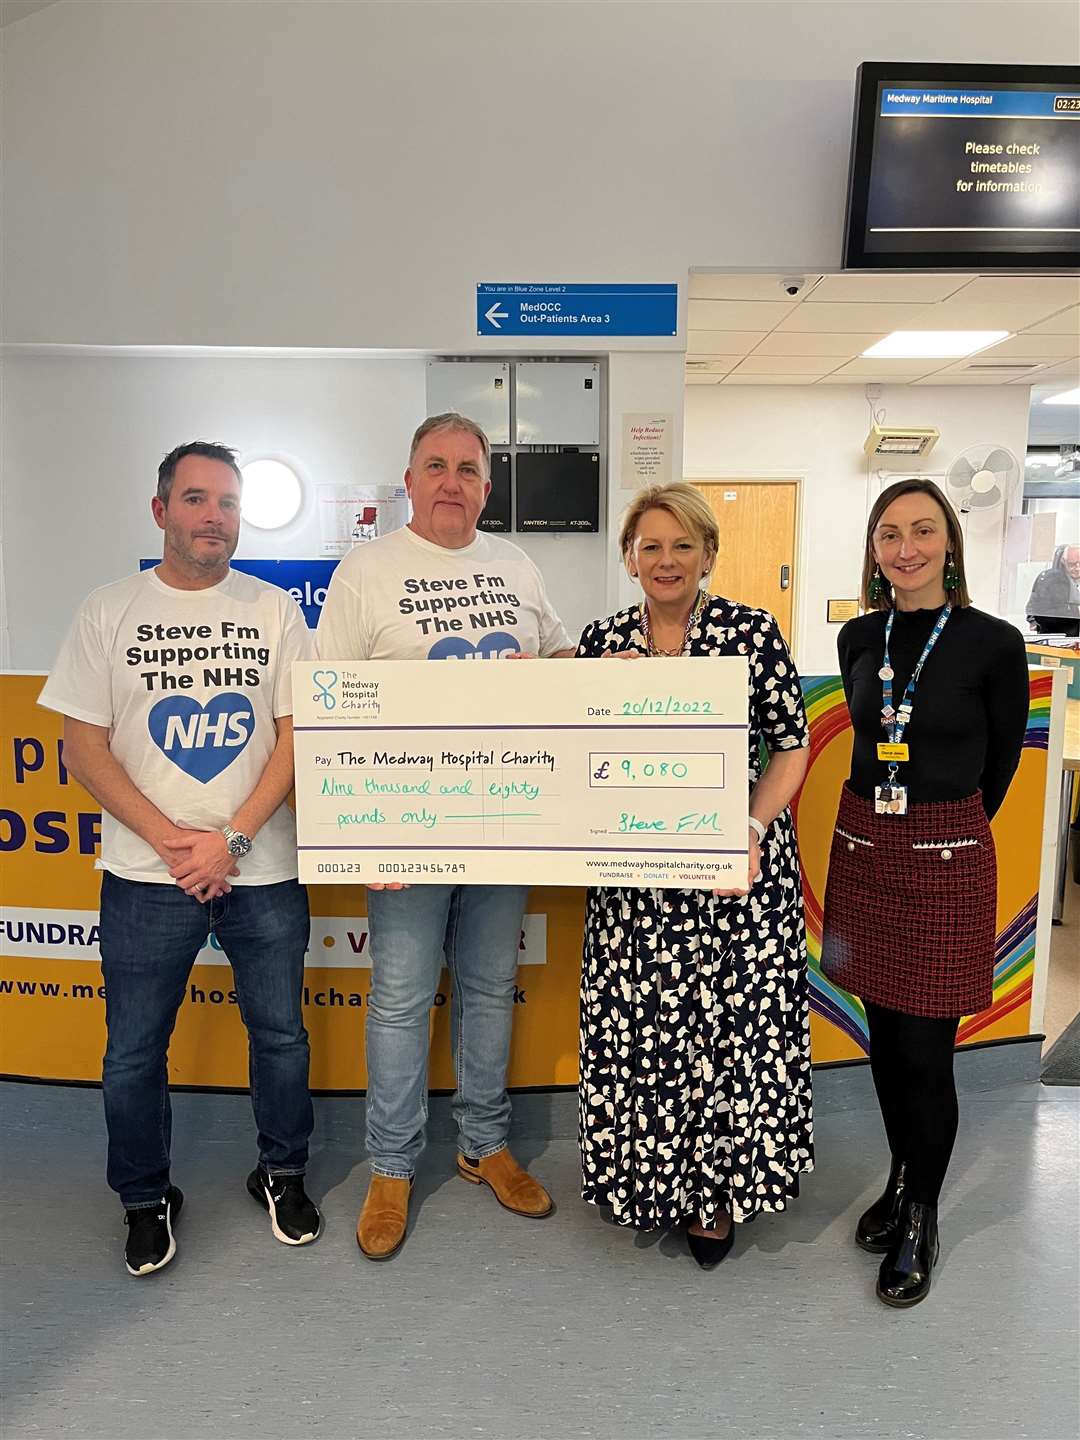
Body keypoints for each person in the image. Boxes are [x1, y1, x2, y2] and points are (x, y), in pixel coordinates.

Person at [39, 441, 321, 1276]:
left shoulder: (275, 612)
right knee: (132, 1051)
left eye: (229, 503)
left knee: (280, 1037)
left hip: (260, 868)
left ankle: (283, 1173)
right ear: (161, 511)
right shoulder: (107, 611)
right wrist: (172, 840)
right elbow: (82, 747)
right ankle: (143, 1196)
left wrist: (230, 839)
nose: (214, 517)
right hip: (143, 874)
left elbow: (295, 737)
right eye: (197, 500)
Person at [316, 412, 574, 1259]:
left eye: (468, 468)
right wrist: (358, 835)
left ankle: (484, 1144)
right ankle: (390, 1164)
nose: (452, 481)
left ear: (487, 486)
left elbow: (559, 666)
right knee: (399, 996)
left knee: (492, 985)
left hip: (508, 823)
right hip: (404, 832)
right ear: (410, 480)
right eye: (437, 466)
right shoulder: (367, 570)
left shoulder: (516, 563)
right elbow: (329, 706)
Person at [575, 482, 813, 1269]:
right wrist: (544, 682)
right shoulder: (603, 640)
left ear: (708, 554)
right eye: (651, 546)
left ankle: (714, 1195)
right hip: (634, 887)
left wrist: (749, 825)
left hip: (733, 877)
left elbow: (791, 746)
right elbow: (568, 754)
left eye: (683, 546)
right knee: (642, 1037)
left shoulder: (752, 633)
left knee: (728, 1037)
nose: (666, 560)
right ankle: (649, 1184)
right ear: (629, 557)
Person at [821, 477, 1029, 1309]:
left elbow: (1001, 767)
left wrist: (945, 829)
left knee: (925, 1049)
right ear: (873, 550)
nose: (904, 547)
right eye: (888, 534)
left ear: (950, 542)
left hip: (947, 853)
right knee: (882, 1032)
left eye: (922, 531)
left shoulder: (994, 642)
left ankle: (921, 1217)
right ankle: (903, 1171)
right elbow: (869, 739)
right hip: (865, 845)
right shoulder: (858, 636)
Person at [1025, 543, 1080, 636]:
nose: (1077, 568)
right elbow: (1033, 605)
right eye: (1072, 564)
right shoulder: (1049, 580)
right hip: (1056, 635)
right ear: (1063, 561)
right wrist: (1033, 622)